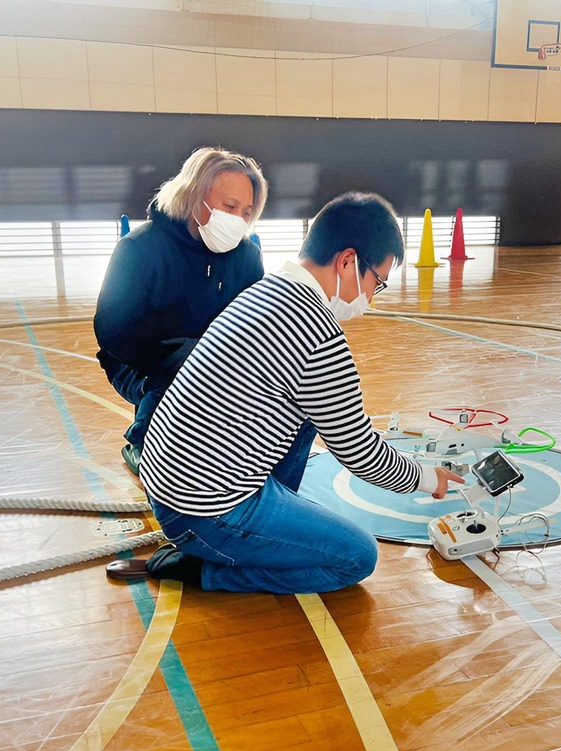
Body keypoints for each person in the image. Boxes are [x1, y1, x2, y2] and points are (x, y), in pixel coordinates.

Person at [106, 192, 463, 595]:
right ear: (348, 262)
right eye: (375, 282)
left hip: (171, 482)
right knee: (357, 556)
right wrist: (427, 478)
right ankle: (207, 571)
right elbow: (360, 452)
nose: (370, 297)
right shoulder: (318, 332)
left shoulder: (267, 290)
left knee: (312, 413)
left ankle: (257, 531)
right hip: (202, 511)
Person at [93, 147, 268, 475]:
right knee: (189, 364)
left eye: (246, 212)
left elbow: (254, 324)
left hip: (212, 359)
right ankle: (143, 441)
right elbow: (112, 330)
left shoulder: (247, 256)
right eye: (230, 207)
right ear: (194, 196)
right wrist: (179, 360)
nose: (238, 220)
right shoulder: (138, 248)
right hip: (139, 363)